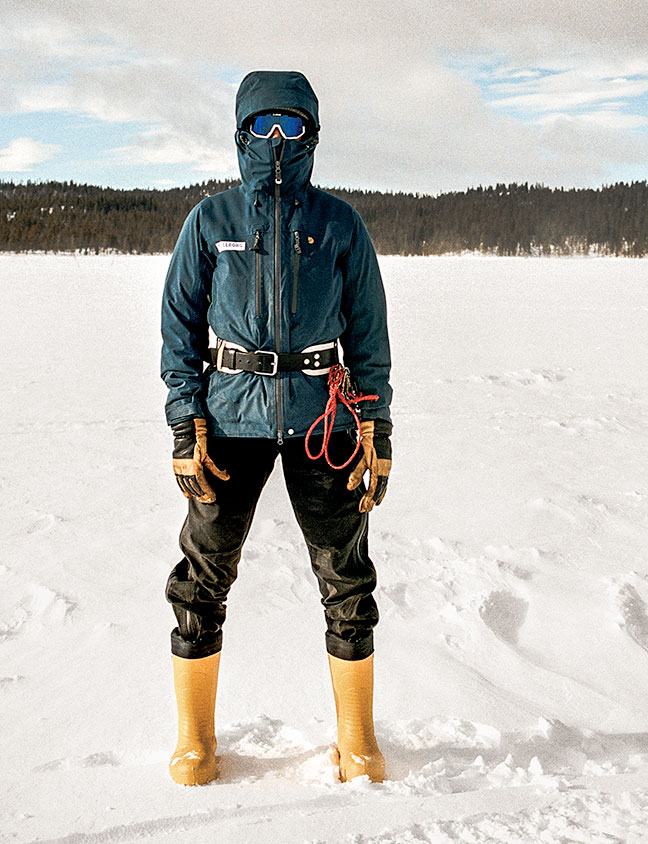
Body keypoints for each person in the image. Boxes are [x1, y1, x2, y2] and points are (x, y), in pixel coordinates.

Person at [159, 70, 394, 786]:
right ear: (241, 135)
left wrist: (377, 428)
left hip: (325, 420)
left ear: (312, 136)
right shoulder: (212, 222)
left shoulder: (340, 224)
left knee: (346, 580)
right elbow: (178, 329)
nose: (277, 140)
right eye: (263, 126)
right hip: (226, 426)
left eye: (291, 126)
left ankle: (357, 740)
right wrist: (183, 421)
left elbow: (369, 332)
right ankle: (196, 740)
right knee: (201, 578)